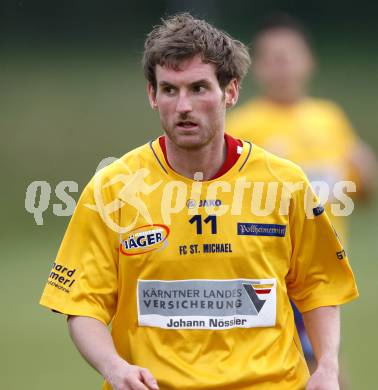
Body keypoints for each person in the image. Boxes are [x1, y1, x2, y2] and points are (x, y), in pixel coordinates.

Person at [40, 13, 359, 390]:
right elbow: (82, 305)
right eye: (170, 90)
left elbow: (318, 285)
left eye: (199, 88)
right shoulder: (113, 188)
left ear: (231, 91)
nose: (183, 105)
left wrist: (326, 367)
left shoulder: (285, 183)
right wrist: (113, 366)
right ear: (152, 95)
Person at [227, 14, 376, 376]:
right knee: (311, 370)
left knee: (324, 368)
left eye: (290, 56)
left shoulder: (329, 119)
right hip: (274, 272)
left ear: (309, 60)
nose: (282, 67)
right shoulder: (243, 126)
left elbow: (361, 191)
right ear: (256, 68)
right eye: (272, 58)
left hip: (324, 274)